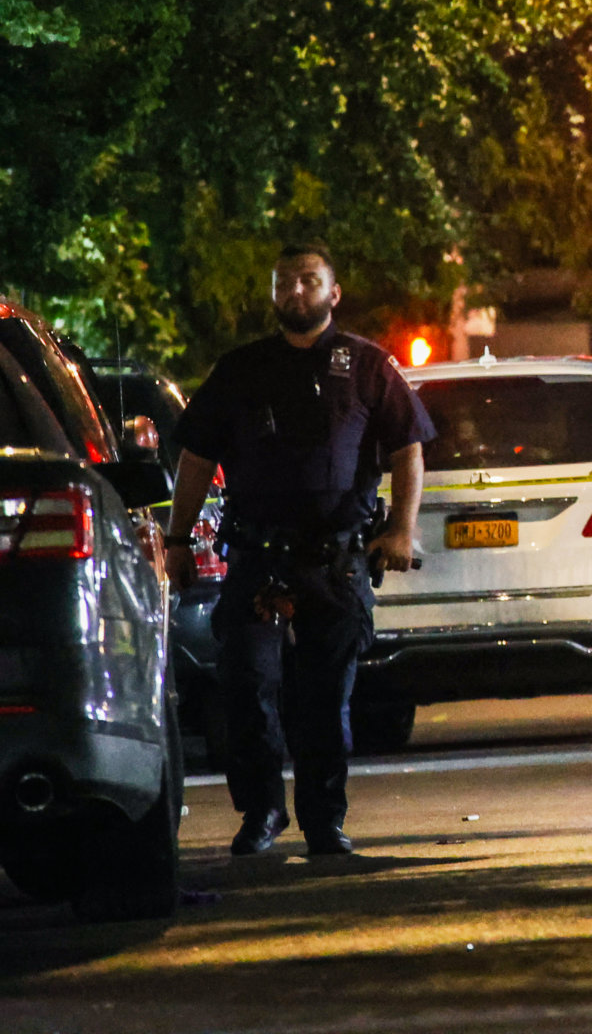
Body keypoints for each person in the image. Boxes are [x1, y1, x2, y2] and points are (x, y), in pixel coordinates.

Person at [165, 243, 433, 856]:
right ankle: (260, 812)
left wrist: (400, 529)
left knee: (324, 701)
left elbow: (408, 448)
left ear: (333, 293)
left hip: (335, 561)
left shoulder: (368, 367)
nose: (296, 291)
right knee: (247, 690)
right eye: (285, 282)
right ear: (272, 294)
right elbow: (196, 457)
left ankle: (322, 821)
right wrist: (178, 541)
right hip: (257, 559)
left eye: (309, 281)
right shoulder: (239, 370)